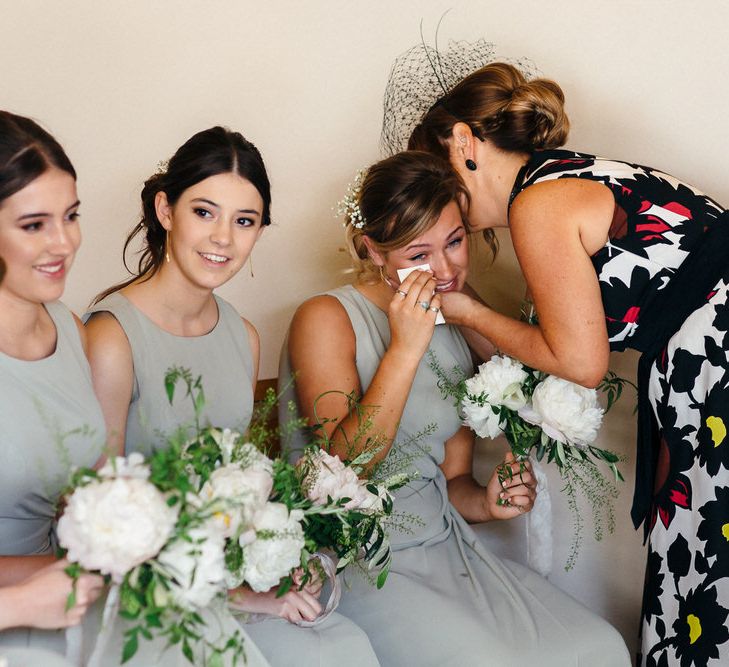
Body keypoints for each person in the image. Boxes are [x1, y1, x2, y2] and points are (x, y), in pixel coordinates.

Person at [406, 59, 729, 666]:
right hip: (705, 353)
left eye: (434, 173)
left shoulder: (538, 205)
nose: (436, 197)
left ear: (464, 143)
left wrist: (469, 313)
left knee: (716, 556)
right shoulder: (569, 175)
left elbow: (578, 361)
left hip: (719, 355)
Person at [281, 150, 630, 666]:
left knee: (598, 647)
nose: (445, 271)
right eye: (419, 253)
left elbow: (452, 481)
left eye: (455, 241)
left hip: (448, 547)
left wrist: (488, 505)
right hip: (358, 558)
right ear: (372, 249)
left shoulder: (458, 311)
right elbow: (347, 465)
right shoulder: (326, 317)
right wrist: (405, 346)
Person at [84, 127, 379, 666]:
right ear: (165, 210)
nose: (223, 237)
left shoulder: (243, 336)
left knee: (346, 648)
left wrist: (274, 551)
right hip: (140, 587)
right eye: (204, 212)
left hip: (218, 570)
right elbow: (104, 521)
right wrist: (246, 596)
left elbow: (237, 479)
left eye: (244, 221)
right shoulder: (111, 338)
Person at [0, 111, 107, 659]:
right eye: (34, 224)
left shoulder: (68, 325)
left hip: (72, 592)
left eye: (71, 216)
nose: (63, 243)